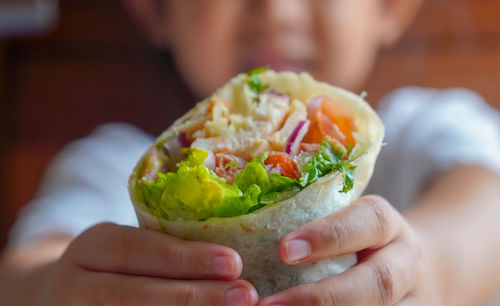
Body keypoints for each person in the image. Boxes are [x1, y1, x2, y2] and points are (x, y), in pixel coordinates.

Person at [1, 0, 500, 305]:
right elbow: (20, 275)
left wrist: (429, 271)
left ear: (389, 5)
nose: (276, 10)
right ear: (154, 7)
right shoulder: (107, 165)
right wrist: (54, 291)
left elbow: (488, 203)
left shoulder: (425, 129)